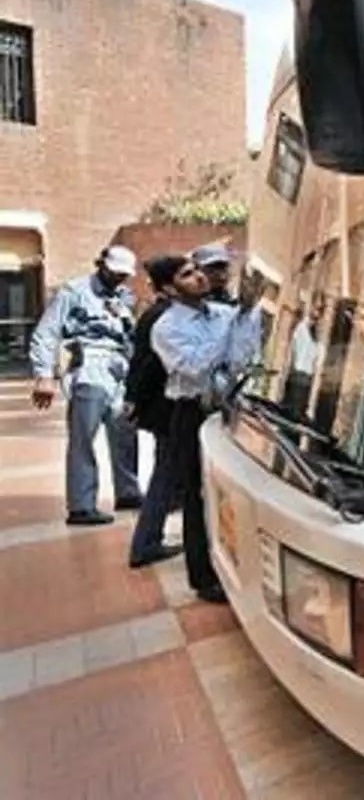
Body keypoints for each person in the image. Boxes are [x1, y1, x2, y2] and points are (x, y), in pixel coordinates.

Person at [152, 258, 262, 603]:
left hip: (229, 408)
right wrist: (229, 333)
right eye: (186, 274)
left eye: (196, 270)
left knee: (231, 490)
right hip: (192, 412)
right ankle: (202, 577)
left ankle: (234, 563)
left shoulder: (223, 314)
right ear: (169, 289)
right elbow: (195, 366)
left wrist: (244, 315)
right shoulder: (166, 327)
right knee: (198, 494)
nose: (198, 276)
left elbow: (243, 357)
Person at [29, 245, 143, 526]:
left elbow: (130, 336)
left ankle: (127, 491)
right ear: (101, 264)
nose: (118, 278)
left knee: (125, 432)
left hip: (120, 369)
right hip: (89, 366)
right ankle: (81, 505)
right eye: (114, 272)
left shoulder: (124, 297)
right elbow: (47, 332)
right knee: (83, 439)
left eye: (123, 275)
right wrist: (44, 374)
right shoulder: (74, 291)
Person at [125, 255, 187, 568]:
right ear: (169, 286)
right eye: (186, 274)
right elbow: (147, 367)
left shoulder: (160, 313)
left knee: (169, 474)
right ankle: (146, 543)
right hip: (167, 409)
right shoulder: (163, 319)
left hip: (161, 409)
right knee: (165, 475)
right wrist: (134, 400)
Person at [281, 296, 323, 419]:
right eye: (316, 309)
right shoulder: (301, 328)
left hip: (307, 376)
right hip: (298, 373)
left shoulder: (316, 333)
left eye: (320, 310)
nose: (317, 313)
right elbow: (293, 352)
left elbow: (317, 357)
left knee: (299, 410)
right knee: (292, 409)